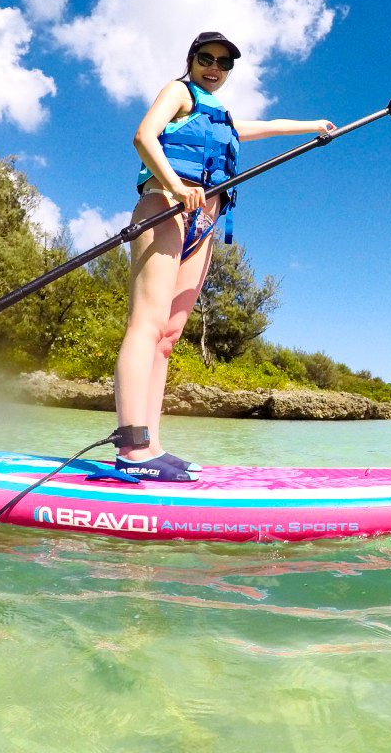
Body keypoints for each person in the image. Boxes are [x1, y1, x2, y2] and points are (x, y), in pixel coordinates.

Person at [111, 32, 334, 482]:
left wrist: (315, 126)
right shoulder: (179, 92)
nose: (214, 67)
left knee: (169, 337)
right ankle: (131, 450)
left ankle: (153, 444)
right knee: (146, 325)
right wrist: (175, 185)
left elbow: (267, 126)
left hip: (204, 227)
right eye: (206, 58)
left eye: (223, 63)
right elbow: (144, 137)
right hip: (166, 208)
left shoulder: (224, 118)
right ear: (191, 59)